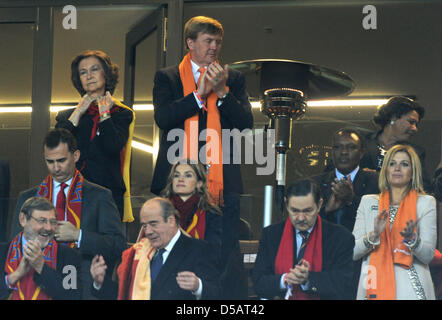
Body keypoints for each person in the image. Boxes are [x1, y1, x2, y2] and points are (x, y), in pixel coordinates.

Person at [151, 16, 253, 298]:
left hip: (222, 187)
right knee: (171, 249)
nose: (214, 47)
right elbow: (163, 117)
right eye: (208, 41)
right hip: (177, 183)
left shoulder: (233, 79)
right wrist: (199, 95)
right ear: (190, 43)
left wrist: (221, 94)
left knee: (219, 252)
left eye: (218, 42)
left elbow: (245, 123)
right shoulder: (168, 77)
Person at [10, 128, 126, 299]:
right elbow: (14, 247)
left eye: (62, 160)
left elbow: (118, 245)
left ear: (76, 156)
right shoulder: (27, 198)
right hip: (36, 287)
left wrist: (79, 236)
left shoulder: (100, 196)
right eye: (50, 161)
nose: (56, 168)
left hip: (84, 289)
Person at [55, 50, 135, 222]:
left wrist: (105, 113)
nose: (89, 76)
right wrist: (78, 112)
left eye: (94, 70)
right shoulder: (66, 116)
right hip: (72, 191)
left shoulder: (121, 114)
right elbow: (56, 147)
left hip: (108, 193)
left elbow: (112, 146)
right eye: (83, 72)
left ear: (106, 74)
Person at [90, 197, 220, 300]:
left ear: (171, 221)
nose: (148, 232)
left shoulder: (199, 249)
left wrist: (198, 286)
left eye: (153, 224)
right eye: (145, 226)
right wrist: (100, 282)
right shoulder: (137, 252)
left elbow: (217, 293)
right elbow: (124, 294)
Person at [353, 144, 437, 300]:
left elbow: (428, 256)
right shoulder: (368, 202)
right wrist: (374, 235)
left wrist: (412, 240)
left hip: (412, 289)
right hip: (373, 286)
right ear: (385, 170)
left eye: (404, 164)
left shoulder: (425, 203)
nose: (397, 168)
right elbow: (353, 252)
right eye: (392, 163)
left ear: (413, 172)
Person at [253, 179, 355, 300]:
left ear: (319, 205)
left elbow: (344, 285)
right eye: (295, 211)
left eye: (307, 211)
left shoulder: (341, 237)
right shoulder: (271, 235)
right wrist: (285, 279)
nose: (301, 218)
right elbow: (259, 283)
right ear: (286, 204)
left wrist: (308, 279)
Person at [1, 197, 81, 300]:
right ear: (23, 219)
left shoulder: (69, 256)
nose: (48, 228)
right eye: (42, 221)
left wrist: (41, 267)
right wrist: (15, 275)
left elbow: (72, 296)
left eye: (52, 222)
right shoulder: (2, 252)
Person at [312, 128, 379, 232]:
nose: (344, 152)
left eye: (351, 147)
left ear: (361, 153)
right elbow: (303, 225)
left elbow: (379, 222)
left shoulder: (377, 182)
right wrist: (326, 210)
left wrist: (351, 200)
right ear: (332, 151)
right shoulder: (314, 184)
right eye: (338, 147)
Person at [360, 96, 432, 192]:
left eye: (416, 124)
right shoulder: (362, 145)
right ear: (393, 118)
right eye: (411, 122)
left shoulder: (416, 153)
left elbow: (424, 187)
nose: (415, 128)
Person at [161, 160, 222, 261]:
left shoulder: (211, 213)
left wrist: (179, 234)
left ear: (199, 183)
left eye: (188, 175)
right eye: (176, 175)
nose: (180, 179)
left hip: (198, 269)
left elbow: (213, 252)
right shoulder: (160, 209)